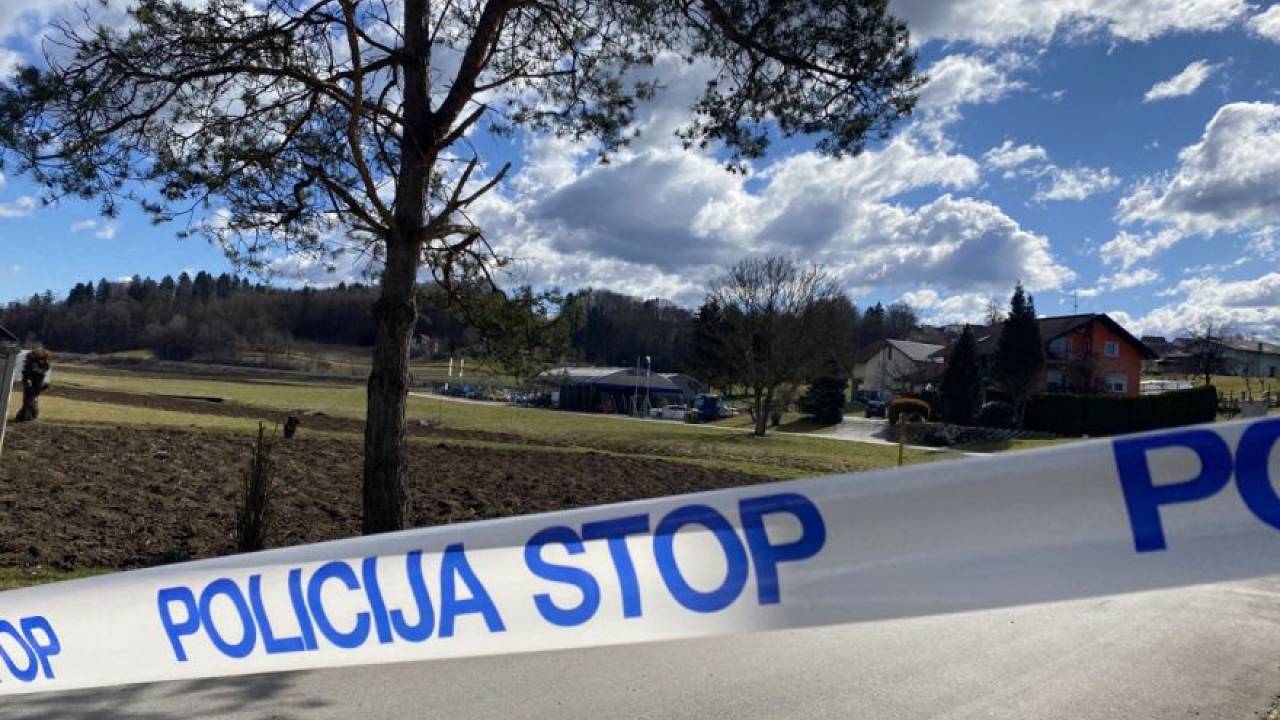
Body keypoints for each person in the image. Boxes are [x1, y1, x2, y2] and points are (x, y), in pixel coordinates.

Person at [15, 348, 52, 422]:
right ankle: (26, 416)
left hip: (35, 385)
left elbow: (42, 372)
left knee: (29, 401)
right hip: (32, 384)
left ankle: (25, 416)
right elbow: (29, 375)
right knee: (29, 401)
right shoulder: (32, 364)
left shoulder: (43, 364)